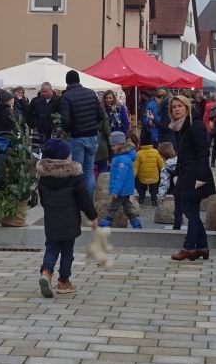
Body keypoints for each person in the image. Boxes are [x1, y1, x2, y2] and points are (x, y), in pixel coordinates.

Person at [36, 138, 96, 297]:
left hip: (51, 220)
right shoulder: (74, 176)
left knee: (51, 248)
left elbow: (42, 199)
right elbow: (84, 199)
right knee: (67, 251)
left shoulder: (43, 177)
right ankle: (64, 281)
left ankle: (46, 273)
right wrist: (93, 215)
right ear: (64, 158)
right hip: (69, 221)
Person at [166, 96, 214, 261]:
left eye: (180, 106)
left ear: (186, 107)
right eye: (174, 107)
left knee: (191, 212)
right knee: (190, 211)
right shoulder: (180, 127)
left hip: (195, 175)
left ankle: (188, 247)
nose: (176, 109)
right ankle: (202, 247)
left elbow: (203, 151)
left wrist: (201, 177)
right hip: (185, 173)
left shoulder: (195, 125)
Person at [59, 71, 103, 197]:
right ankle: (88, 198)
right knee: (89, 170)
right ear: (78, 80)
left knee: (78, 170)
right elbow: (100, 114)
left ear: (67, 81)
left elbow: (65, 120)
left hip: (77, 136)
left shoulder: (66, 96)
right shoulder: (90, 93)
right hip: (93, 135)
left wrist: (67, 130)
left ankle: (79, 199)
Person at [99, 131, 142, 230]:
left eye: (113, 145)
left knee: (113, 206)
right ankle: (135, 222)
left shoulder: (122, 159)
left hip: (121, 189)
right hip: (125, 189)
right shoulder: (122, 157)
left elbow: (120, 177)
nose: (112, 148)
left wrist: (115, 191)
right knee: (127, 207)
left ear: (120, 145)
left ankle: (108, 221)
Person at [134, 137, 162, 206]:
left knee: (141, 189)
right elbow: (161, 164)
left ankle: (141, 200)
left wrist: (133, 175)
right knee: (154, 190)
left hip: (142, 177)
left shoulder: (138, 153)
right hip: (154, 177)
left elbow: (135, 166)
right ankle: (154, 201)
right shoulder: (156, 152)